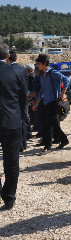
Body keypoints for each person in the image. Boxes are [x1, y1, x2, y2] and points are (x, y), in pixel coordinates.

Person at [0, 43, 27, 210]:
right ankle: (9, 197)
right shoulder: (18, 71)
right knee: (11, 162)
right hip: (12, 121)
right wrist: (22, 117)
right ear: (8, 56)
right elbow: (23, 97)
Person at [32, 54, 70, 154]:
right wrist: (36, 103)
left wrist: (63, 93)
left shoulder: (52, 73)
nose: (37, 66)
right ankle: (64, 140)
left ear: (44, 64)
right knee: (54, 125)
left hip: (53, 102)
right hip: (45, 102)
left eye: (38, 64)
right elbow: (42, 91)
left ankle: (47, 147)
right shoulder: (42, 75)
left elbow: (66, 79)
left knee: (47, 125)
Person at [7, 51, 30, 151]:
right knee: (22, 121)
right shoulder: (22, 68)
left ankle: (19, 144)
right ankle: (23, 143)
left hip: (13, 100)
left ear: (8, 58)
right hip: (23, 98)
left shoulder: (9, 69)